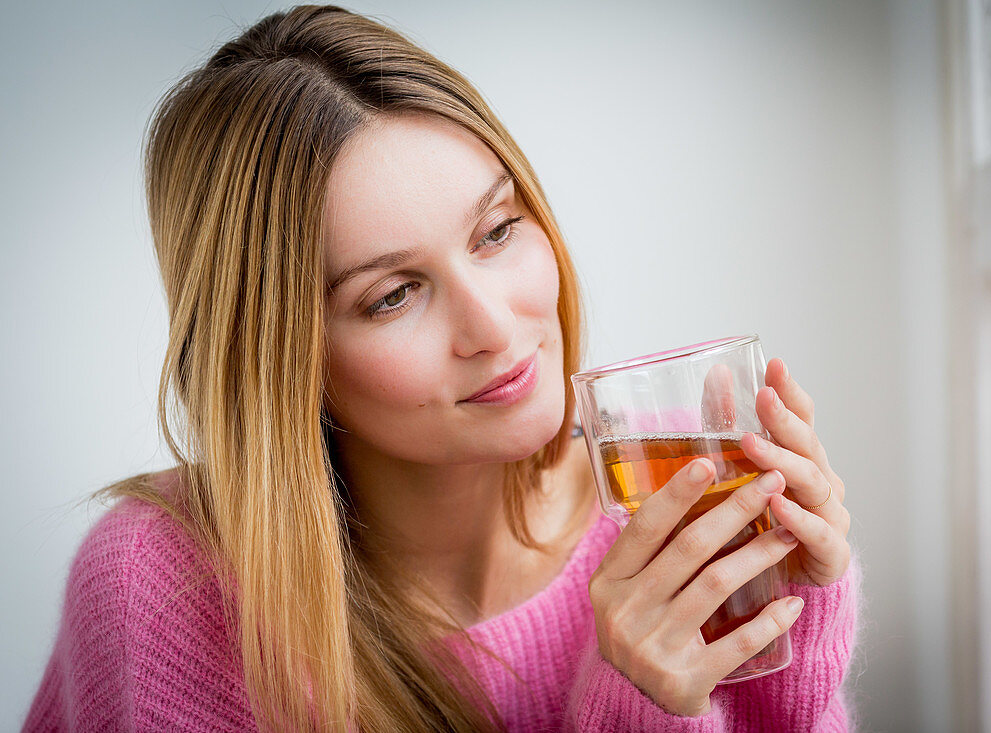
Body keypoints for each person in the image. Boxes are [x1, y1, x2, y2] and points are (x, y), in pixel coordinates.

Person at [22, 5, 858, 731]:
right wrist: (636, 705)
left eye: (497, 232)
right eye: (393, 295)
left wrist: (793, 602)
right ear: (281, 361)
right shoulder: (165, 588)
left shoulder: (676, 500)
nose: (494, 328)